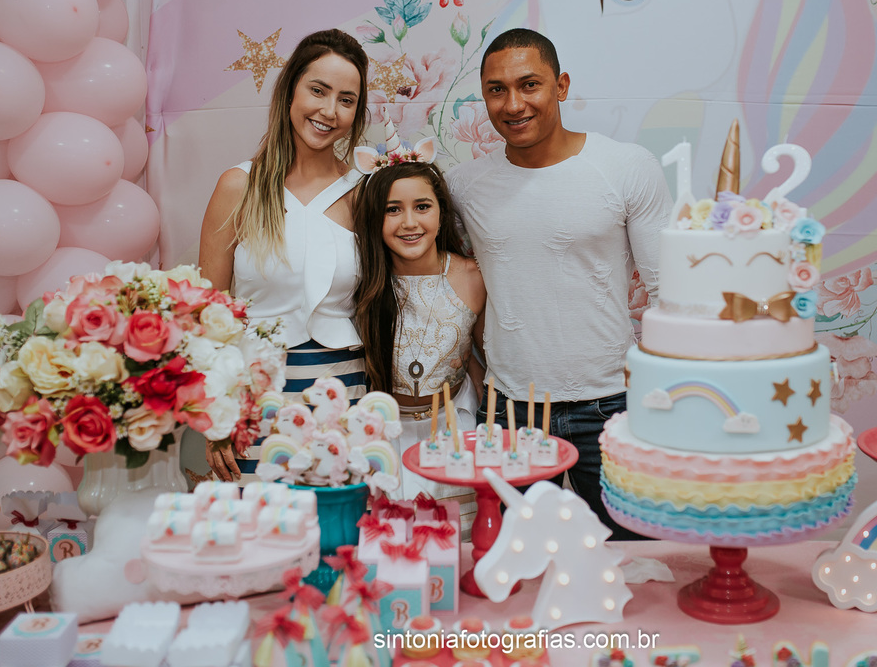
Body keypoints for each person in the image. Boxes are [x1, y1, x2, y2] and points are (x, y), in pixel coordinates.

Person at [446, 28, 672, 539]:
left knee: (630, 557)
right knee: (517, 560)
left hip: (612, 404)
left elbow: (668, 294)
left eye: (529, 84)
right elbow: (453, 288)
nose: (513, 104)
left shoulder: (626, 167)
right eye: (497, 90)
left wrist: (667, 397)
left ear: (561, 85)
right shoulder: (463, 187)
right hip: (508, 410)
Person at [199, 29, 370, 481]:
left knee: (338, 522)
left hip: (342, 400)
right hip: (253, 405)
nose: (329, 111)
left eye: (347, 100)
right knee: (258, 522)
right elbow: (208, 315)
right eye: (318, 90)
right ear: (290, 89)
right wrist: (215, 416)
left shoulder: (364, 193)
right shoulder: (239, 186)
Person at [353, 152, 485, 535]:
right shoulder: (362, 283)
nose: (409, 222)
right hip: (385, 435)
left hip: (453, 431)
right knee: (391, 542)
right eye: (392, 209)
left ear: (441, 213)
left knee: (455, 540)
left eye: (422, 206)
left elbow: (486, 357)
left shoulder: (473, 276)